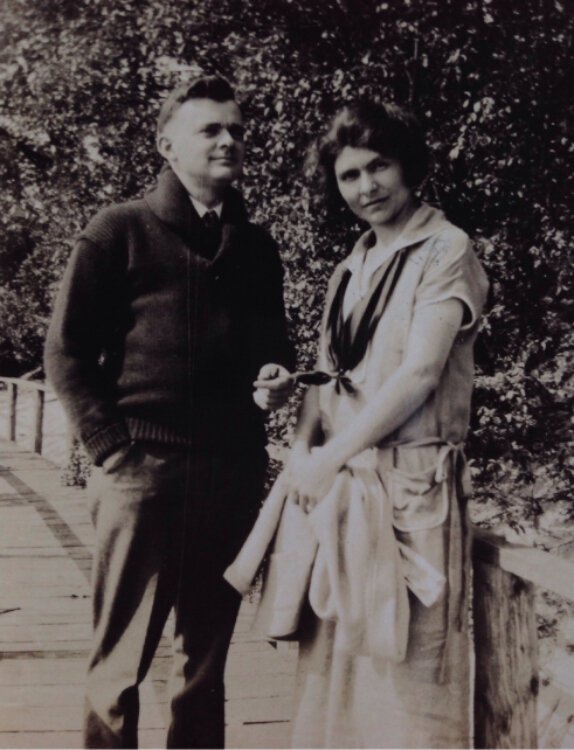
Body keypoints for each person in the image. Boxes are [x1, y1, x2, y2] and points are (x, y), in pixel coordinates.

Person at [44, 75, 294, 749]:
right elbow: (64, 353)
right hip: (142, 473)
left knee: (205, 665)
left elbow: (274, 352)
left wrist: (274, 381)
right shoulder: (117, 230)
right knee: (120, 662)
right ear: (167, 144)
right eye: (210, 128)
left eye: (236, 129)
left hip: (232, 474)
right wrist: (114, 451)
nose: (229, 140)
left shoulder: (257, 247)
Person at [248, 100, 488, 748]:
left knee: (410, 676)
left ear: (408, 165)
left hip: (413, 489)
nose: (366, 187)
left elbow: (419, 373)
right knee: (337, 674)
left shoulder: (446, 248)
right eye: (349, 175)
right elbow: (330, 380)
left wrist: (329, 459)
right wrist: (297, 434)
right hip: (344, 494)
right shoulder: (349, 268)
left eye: (378, 166)